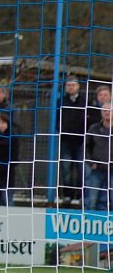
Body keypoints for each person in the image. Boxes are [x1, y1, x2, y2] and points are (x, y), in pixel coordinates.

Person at [58, 76, 88, 205]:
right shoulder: (60, 101)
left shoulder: (85, 101)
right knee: (66, 169)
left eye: (73, 85)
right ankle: (68, 195)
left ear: (78, 86)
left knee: (81, 169)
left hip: (81, 141)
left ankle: (81, 196)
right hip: (66, 140)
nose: (71, 87)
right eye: (68, 85)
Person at [84, 102, 111, 212]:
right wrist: (91, 163)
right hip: (97, 168)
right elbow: (86, 148)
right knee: (92, 199)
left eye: (109, 110)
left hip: (112, 169)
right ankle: (89, 224)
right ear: (101, 113)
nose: (107, 113)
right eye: (104, 110)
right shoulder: (94, 128)